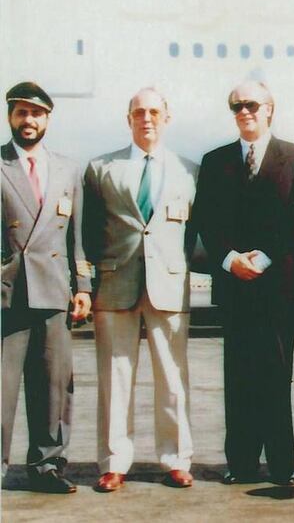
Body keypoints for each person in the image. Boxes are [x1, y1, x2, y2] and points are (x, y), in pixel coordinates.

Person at [194, 80, 294, 486]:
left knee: (277, 375)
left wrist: (259, 259)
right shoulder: (215, 161)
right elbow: (206, 219)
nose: (244, 112)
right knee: (239, 376)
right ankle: (241, 461)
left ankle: (282, 462)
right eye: (236, 106)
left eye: (251, 105)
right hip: (234, 283)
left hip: (277, 283)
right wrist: (229, 260)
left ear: (270, 110)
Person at [83, 87, 198, 492]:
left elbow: (194, 232)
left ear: (167, 118)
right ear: (127, 119)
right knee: (115, 378)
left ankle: (176, 459)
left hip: (168, 284)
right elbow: (89, 230)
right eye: (138, 113)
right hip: (116, 285)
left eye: (153, 112)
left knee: (173, 377)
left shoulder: (190, 170)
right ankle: (115, 461)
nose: (146, 118)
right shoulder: (101, 169)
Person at [1, 81, 92, 493]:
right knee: (2, 387)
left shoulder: (68, 169)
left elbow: (77, 237)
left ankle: (47, 466)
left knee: (55, 385)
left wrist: (84, 286)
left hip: (55, 290)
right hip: (9, 293)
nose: (29, 120)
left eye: (36, 113)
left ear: (47, 119)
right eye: (21, 112)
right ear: (10, 117)